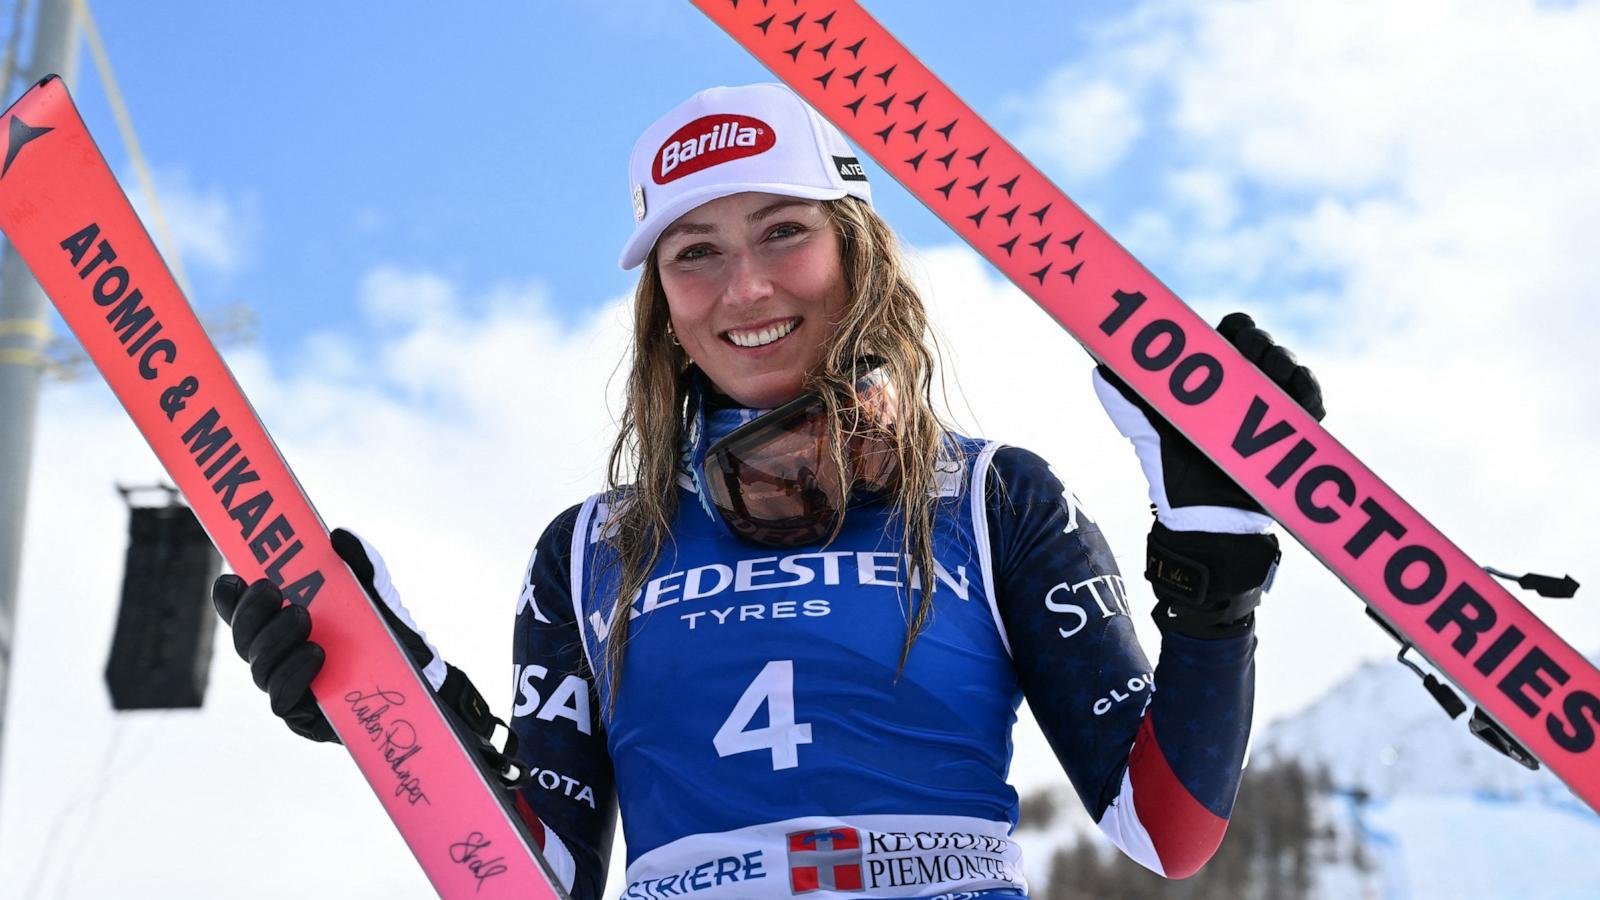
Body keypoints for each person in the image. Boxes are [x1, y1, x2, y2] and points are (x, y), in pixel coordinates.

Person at [213, 83, 1324, 899]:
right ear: (661, 299)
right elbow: (534, 882)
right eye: (694, 251)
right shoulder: (592, 549)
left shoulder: (991, 500)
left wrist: (1213, 558)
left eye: (781, 232)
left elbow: (1166, 829)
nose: (743, 287)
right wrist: (400, 712)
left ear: (855, 254)